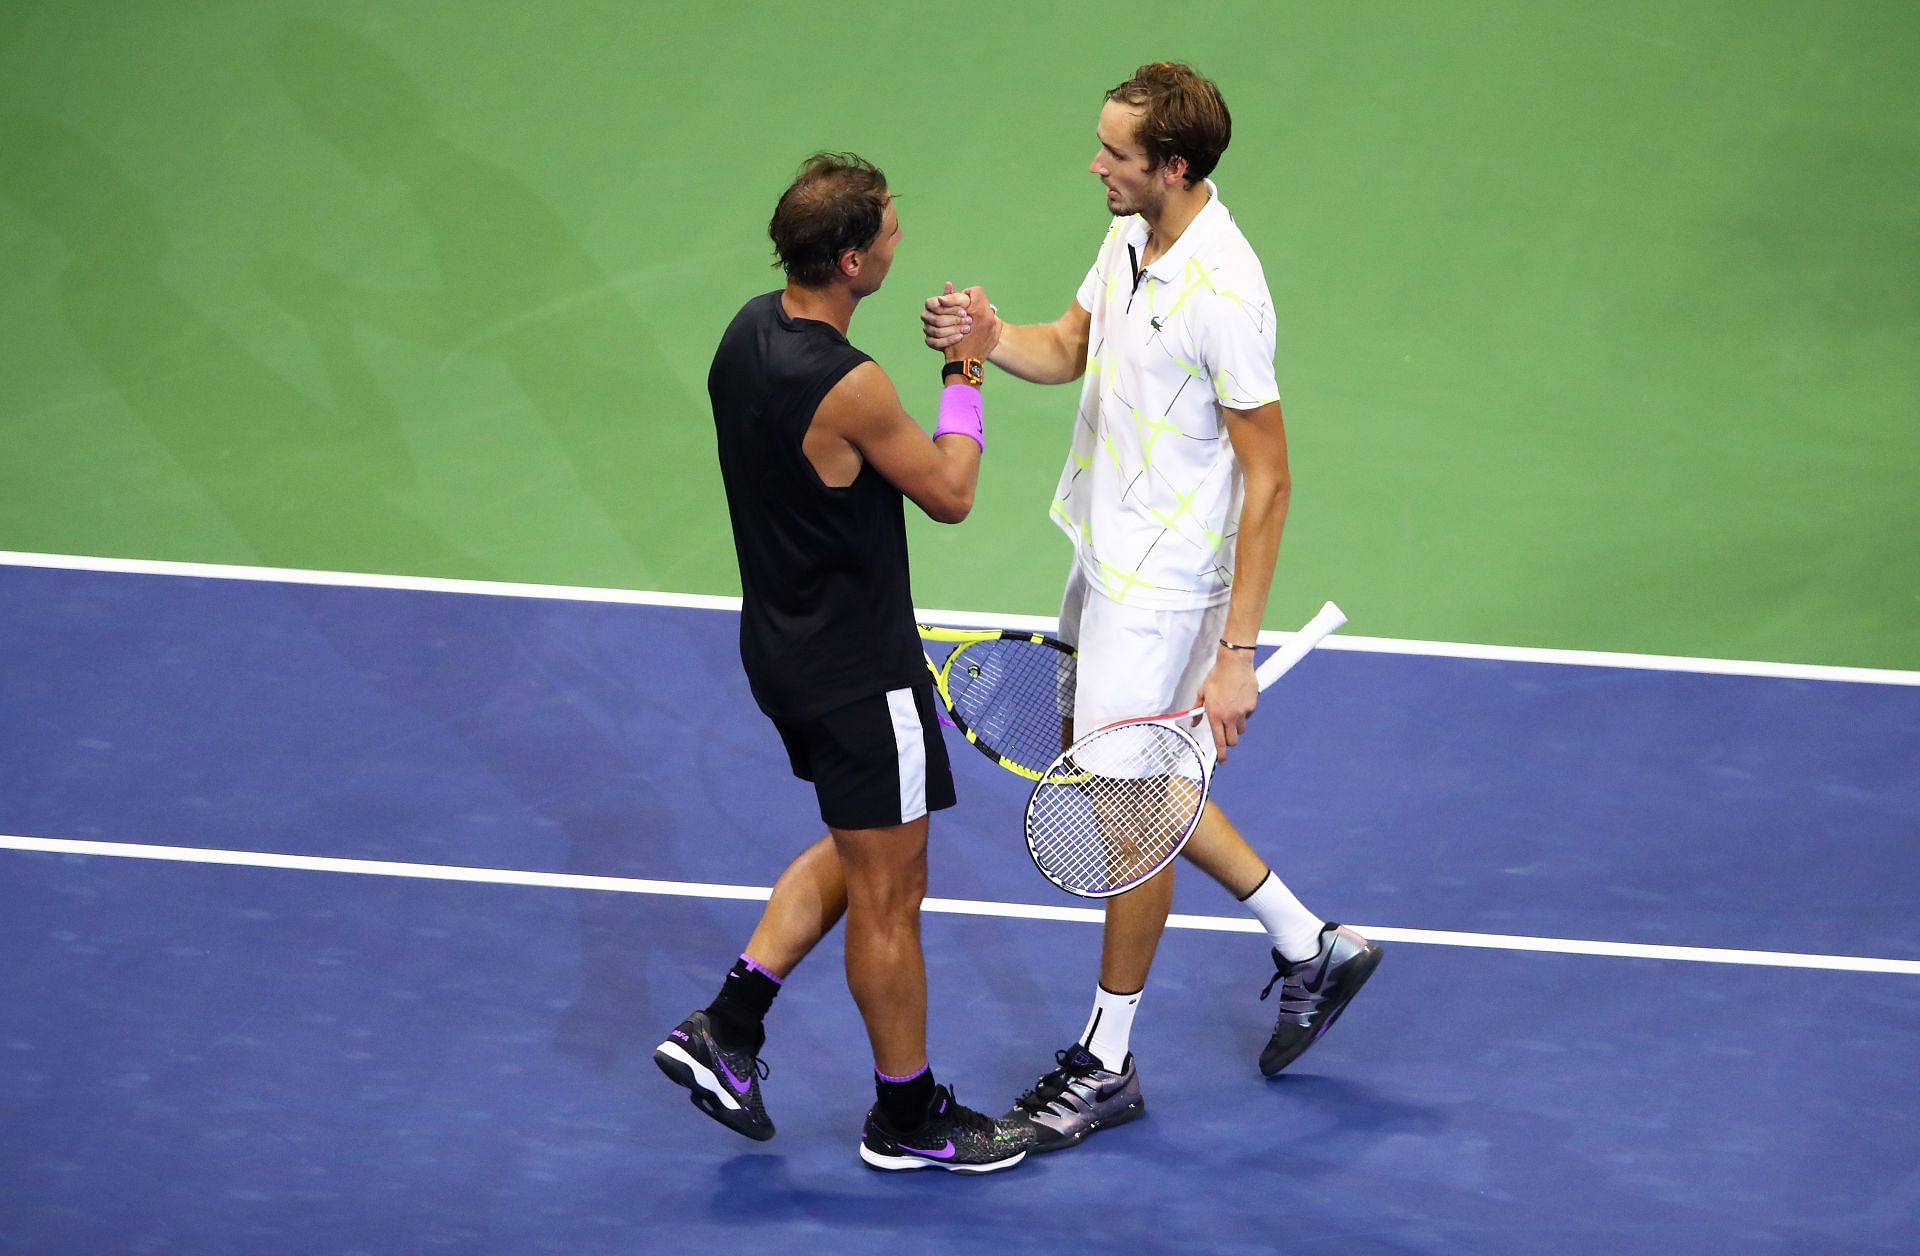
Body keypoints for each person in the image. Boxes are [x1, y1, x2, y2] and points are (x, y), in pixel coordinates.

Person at [921, 64, 1383, 1152]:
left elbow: (1268, 478)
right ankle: (1307, 940)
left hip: (1173, 588)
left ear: (1172, 167)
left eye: (1115, 154)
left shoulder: (1226, 295)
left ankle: (1106, 1060)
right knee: (1139, 791)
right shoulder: (1132, 235)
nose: (1097, 164)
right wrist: (990, 340)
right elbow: (1070, 346)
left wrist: (1235, 652)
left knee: (1128, 819)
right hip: (1108, 552)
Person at [653, 153, 1030, 1174]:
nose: (902, 242)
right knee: (891, 893)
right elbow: (950, 491)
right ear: (854, 257)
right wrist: (966, 368)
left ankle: (728, 1025)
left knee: (859, 844)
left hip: (780, 649)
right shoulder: (852, 383)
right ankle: (906, 1115)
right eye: (892, 233)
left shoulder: (746, 333)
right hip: (862, 667)